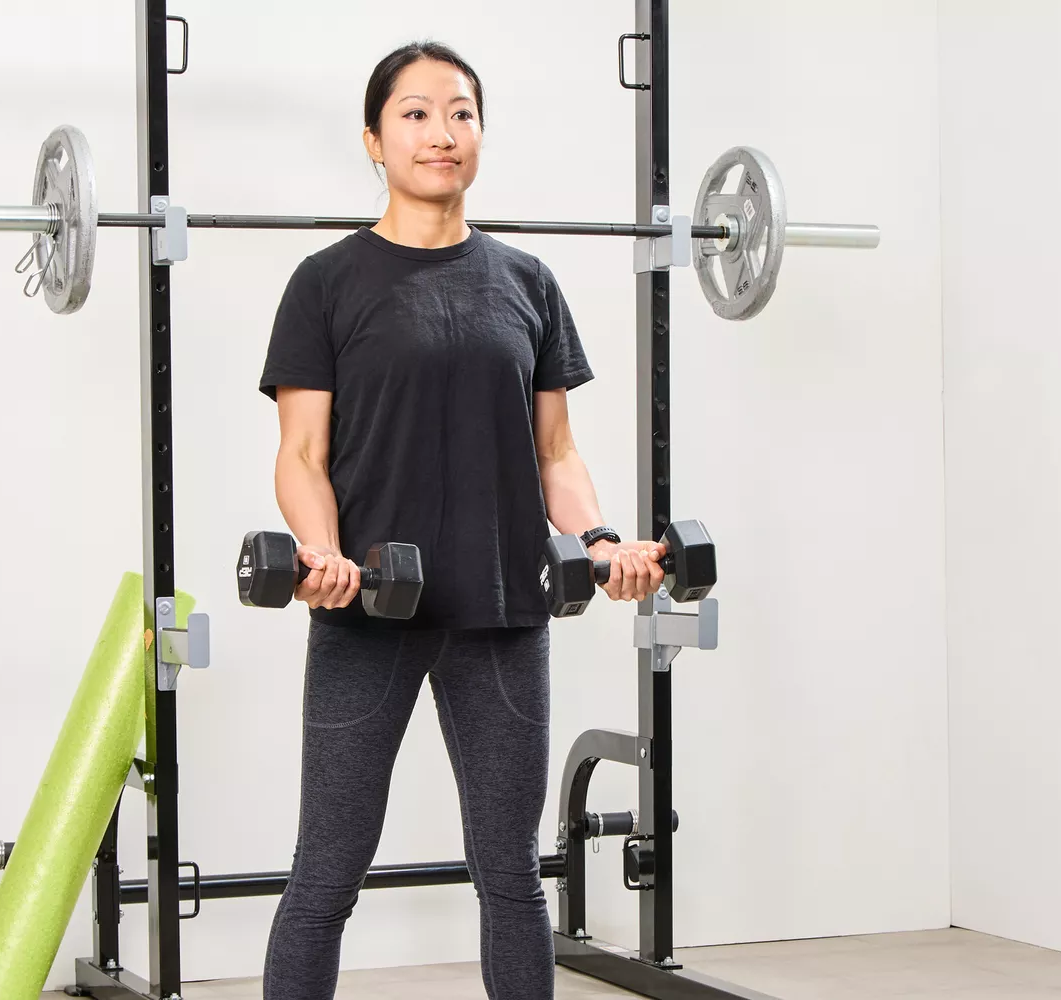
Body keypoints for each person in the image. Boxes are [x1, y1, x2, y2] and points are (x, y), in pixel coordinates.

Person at [256, 40, 667, 1000]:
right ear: (373, 139)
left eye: (461, 112)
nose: (442, 133)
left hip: (502, 607)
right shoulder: (326, 282)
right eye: (415, 113)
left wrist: (601, 543)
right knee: (327, 875)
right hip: (370, 611)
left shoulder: (526, 281)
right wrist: (320, 551)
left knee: (510, 877)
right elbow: (302, 454)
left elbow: (555, 453)